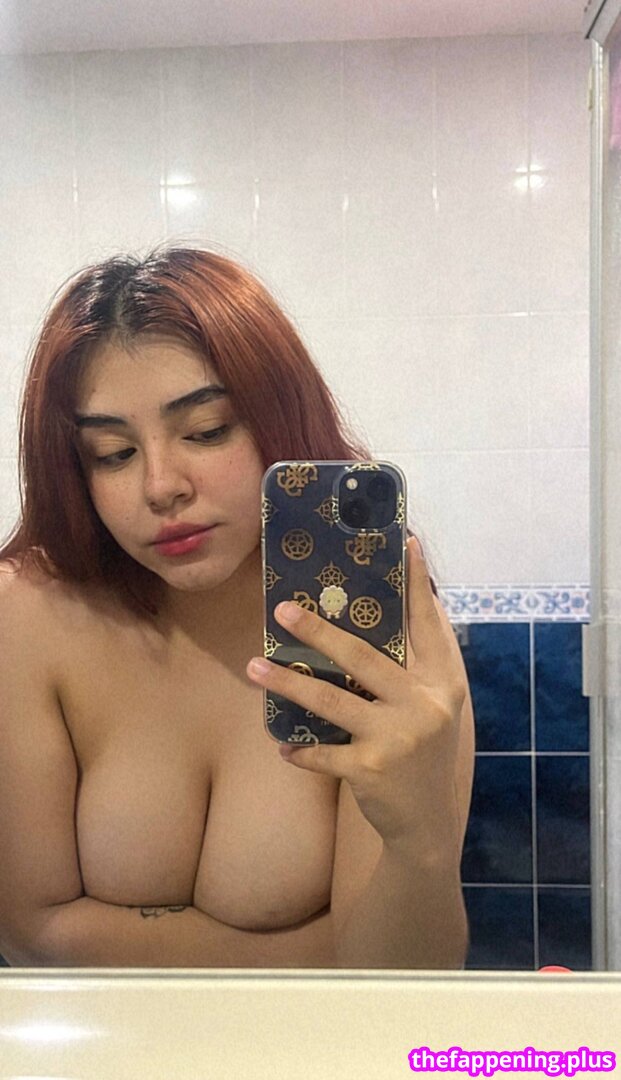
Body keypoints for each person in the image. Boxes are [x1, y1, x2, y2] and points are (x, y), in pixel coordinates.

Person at [0, 246, 474, 969]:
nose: (161, 485)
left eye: (206, 431)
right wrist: (318, 951)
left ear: (279, 420)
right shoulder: (27, 617)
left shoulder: (379, 629)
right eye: (113, 453)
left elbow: (401, 984)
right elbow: (33, 934)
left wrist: (422, 841)